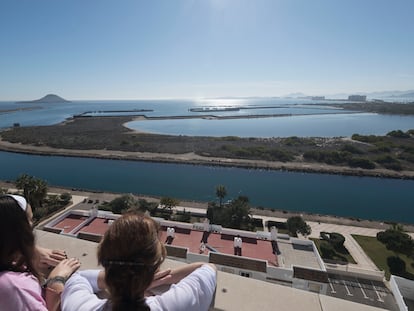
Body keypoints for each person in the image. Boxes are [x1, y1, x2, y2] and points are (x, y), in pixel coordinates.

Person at [62, 212, 217, 311]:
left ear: (103, 258)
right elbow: (208, 268)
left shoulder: (79, 306)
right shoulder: (178, 304)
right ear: (155, 266)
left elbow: (77, 277)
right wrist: (152, 281)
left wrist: (126, 282)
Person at [0, 194, 81, 311]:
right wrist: (56, 280)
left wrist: (31, 250)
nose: (32, 224)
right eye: (30, 220)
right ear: (19, 230)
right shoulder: (15, 286)